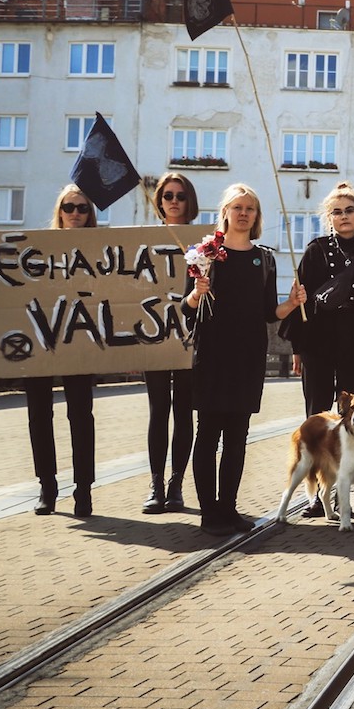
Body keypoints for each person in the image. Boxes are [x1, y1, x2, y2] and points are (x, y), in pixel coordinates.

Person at [187, 184, 307, 536]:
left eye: (250, 208)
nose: (243, 213)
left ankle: (229, 508)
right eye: (237, 207)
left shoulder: (265, 258)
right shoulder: (204, 254)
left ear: (256, 216)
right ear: (224, 211)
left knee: (238, 435)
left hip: (248, 355)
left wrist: (291, 303)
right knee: (208, 433)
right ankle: (209, 513)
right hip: (211, 354)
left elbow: (270, 313)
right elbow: (186, 305)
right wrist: (197, 293)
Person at [0, 184, 100, 517]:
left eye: (82, 207)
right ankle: (47, 486)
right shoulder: (35, 248)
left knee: (80, 414)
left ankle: (84, 489)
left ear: (91, 214)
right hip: (36, 338)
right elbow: (9, 287)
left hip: (78, 339)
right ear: (59, 211)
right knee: (38, 415)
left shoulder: (100, 249)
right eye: (69, 206)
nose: (75, 212)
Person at [283, 182, 354, 517]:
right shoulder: (314, 252)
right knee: (318, 417)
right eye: (337, 211)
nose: (344, 216)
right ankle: (317, 492)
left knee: (351, 420)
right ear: (328, 217)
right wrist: (297, 348)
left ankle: (340, 492)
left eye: (350, 211)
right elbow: (299, 304)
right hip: (318, 346)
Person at [142, 173, 199, 514]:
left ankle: (176, 485)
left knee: (183, 412)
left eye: (179, 195)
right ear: (159, 202)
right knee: (158, 410)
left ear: (189, 201)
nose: (173, 201)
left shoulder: (204, 241)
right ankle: (155, 484)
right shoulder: (145, 240)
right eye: (167, 196)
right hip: (155, 336)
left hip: (192, 338)